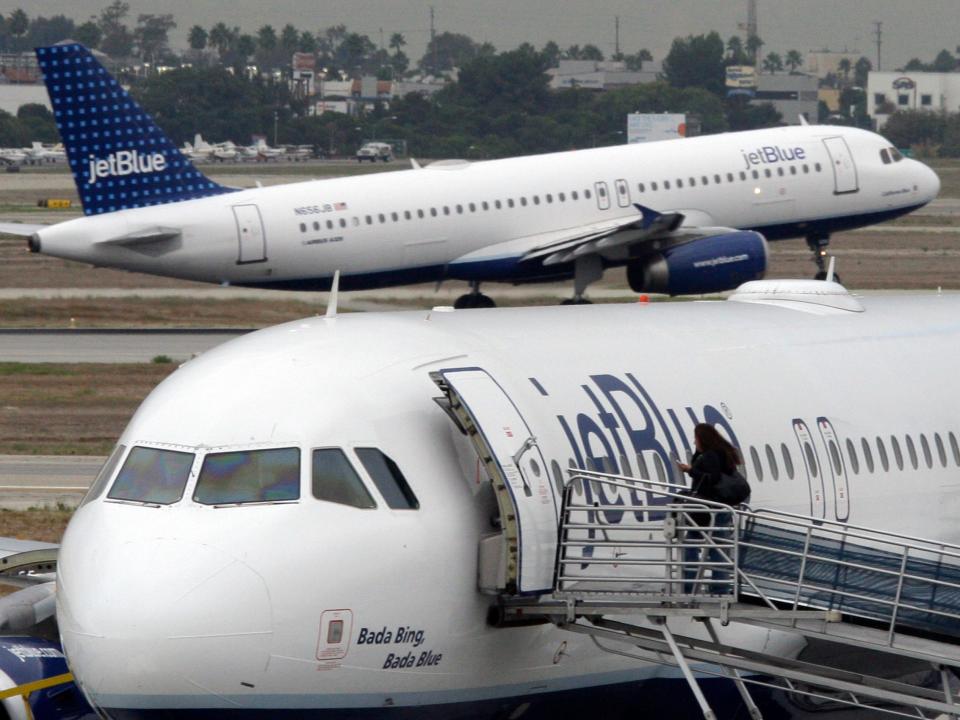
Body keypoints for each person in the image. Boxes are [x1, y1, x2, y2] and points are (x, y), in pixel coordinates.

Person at [676, 423, 743, 595]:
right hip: (720, 507)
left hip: (708, 508)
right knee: (718, 549)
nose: (694, 441)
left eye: (696, 438)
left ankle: (688, 588)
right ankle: (719, 588)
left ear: (703, 439)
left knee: (691, 546)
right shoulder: (721, 453)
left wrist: (690, 470)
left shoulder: (711, 456)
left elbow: (711, 478)